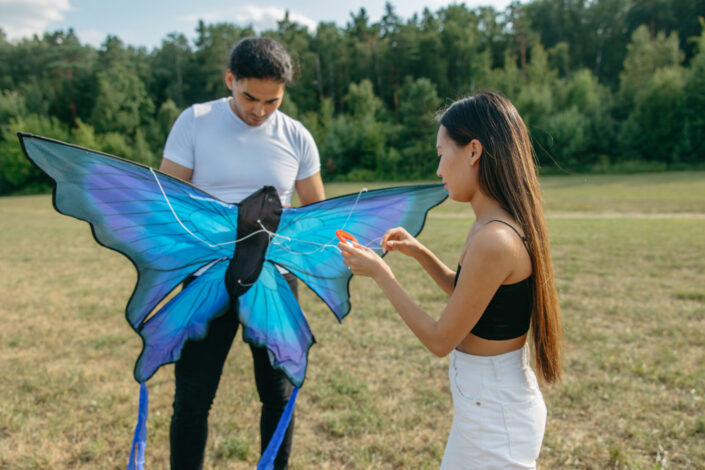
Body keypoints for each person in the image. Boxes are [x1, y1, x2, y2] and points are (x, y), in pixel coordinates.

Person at [339, 91, 562, 469]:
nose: (439, 170)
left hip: (496, 419)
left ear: (473, 151)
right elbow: (470, 296)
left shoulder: (495, 238)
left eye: (442, 154)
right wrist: (419, 252)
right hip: (484, 409)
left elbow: (441, 339)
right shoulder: (489, 225)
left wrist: (381, 274)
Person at [159, 37, 325, 470]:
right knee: (192, 398)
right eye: (250, 96)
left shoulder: (297, 136)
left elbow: (316, 213)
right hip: (206, 279)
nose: (260, 110)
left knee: (278, 395)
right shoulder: (195, 122)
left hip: (271, 283)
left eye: (273, 101)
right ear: (230, 79)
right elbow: (167, 200)